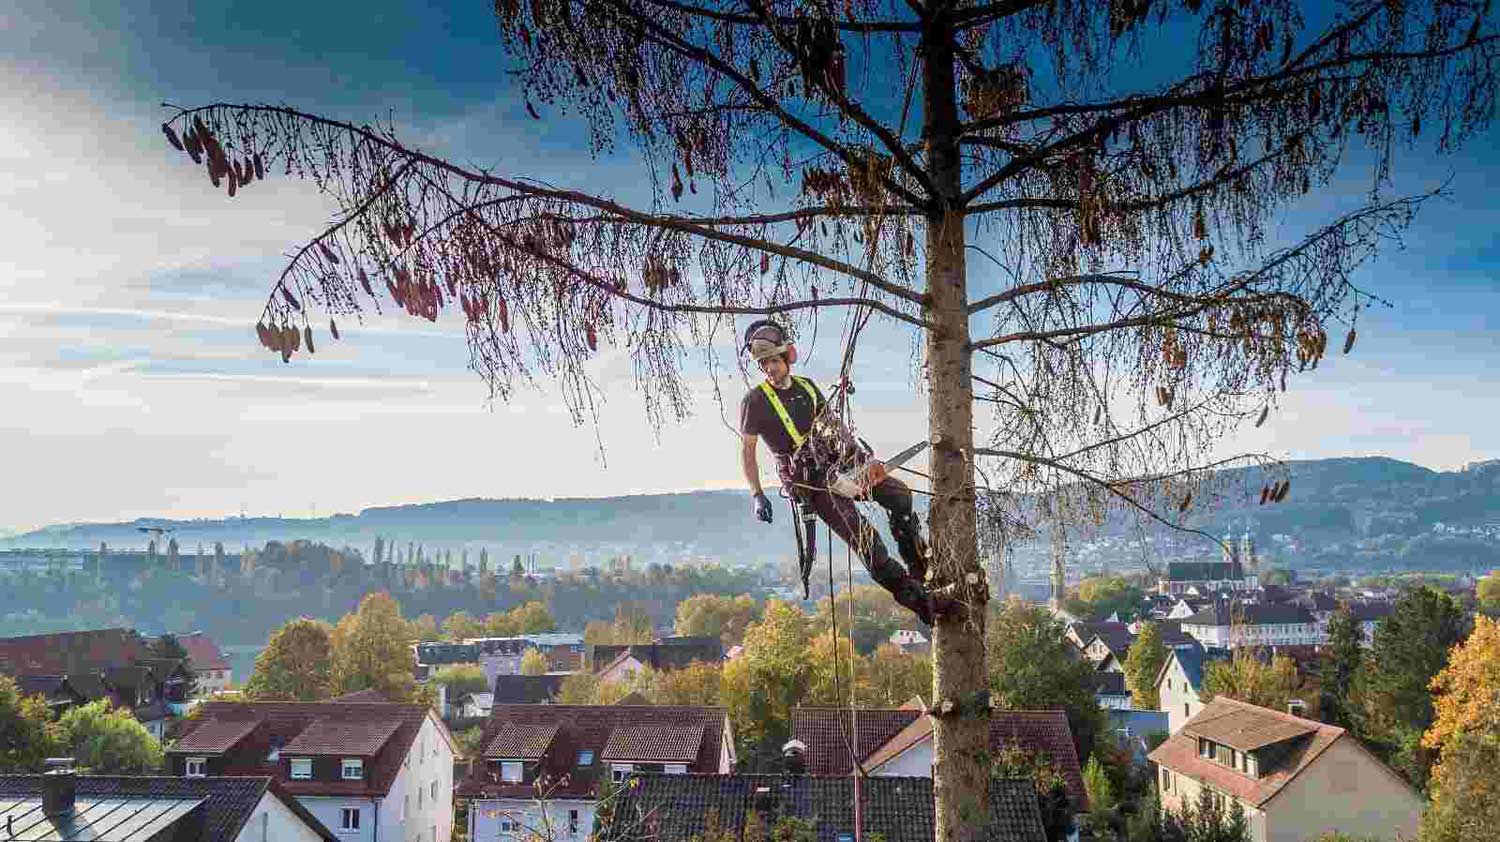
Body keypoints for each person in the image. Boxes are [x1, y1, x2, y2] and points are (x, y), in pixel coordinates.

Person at [737, 320, 953, 625]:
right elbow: (747, 451)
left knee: (899, 495)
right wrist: (757, 494)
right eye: (763, 364)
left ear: (787, 357)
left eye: (773, 361)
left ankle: (919, 564)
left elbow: (834, 428)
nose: (769, 369)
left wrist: (866, 462)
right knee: (866, 541)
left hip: (839, 463)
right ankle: (923, 602)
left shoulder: (808, 388)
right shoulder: (754, 402)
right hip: (811, 483)